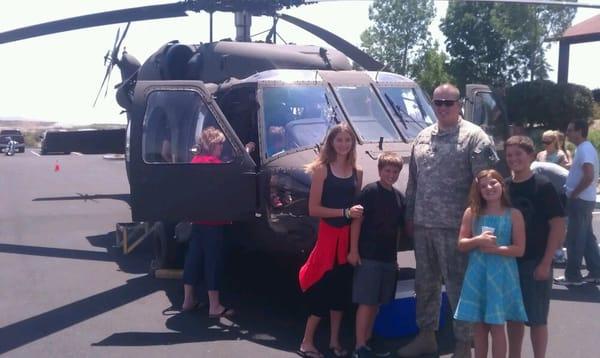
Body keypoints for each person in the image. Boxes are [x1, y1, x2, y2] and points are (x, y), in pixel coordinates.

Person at [399, 83, 498, 358]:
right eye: (438, 102)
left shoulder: (474, 138)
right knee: (425, 284)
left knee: (460, 288)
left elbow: (488, 184)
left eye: (448, 102)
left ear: (459, 105)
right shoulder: (422, 137)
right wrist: (410, 216)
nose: (442, 107)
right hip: (424, 226)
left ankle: (463, 345)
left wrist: (485, 226)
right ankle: (426, 337)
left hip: (459, 229)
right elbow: (413, 183)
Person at [298, 123, 364, 358]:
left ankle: (334, 341)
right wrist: (344, 213)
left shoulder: (358, 173)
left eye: (348, 140)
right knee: (322, 289)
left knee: (341, 293)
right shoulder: (321, 170)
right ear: (331, 142)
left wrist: (354, 249)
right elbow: (314, 209)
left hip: (347, 241)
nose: (343, 144)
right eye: (339, 140)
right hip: (328, 238)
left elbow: (357, 214)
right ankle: (307, 341)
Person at [454, 169, 527, 358]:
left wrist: (495, 249)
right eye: (483, 186)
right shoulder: (472, 212)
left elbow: (519, 249)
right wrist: (478, 240)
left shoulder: (514, 214)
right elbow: (461, 244)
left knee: (497, 326)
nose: (489, 188)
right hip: (478, 273)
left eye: (493, 183)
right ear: (477, 191)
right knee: (479, 329)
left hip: (502, 275)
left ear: (502, 185)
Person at [504, 135, 566, 358]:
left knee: (537, 319)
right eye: (509, 155)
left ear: (531, 155)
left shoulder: (543, 186)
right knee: (513, 317)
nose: (513, 159)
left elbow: (557, 226)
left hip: (536, 262)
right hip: (509, 263)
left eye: (518, 154)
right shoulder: (504, 186)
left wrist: (546, 262)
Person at [347, 152, 406, 358]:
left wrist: (396, 258)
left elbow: (397, 230)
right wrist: (353, 250)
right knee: (366, 302)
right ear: (380, 170)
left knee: (377, 303)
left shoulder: (399, 197)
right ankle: (359, 346)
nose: (391, 174)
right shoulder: (370, 191)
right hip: (368, 255)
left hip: (388, 258)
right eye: (387, 170)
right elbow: (357, 222)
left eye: (395, 171)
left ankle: (368, 341)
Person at [181, 126, 234, 318]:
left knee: (193, 258)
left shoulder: (195, 161)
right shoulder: (215, 163)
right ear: (213, 145)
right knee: (213, 261)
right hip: (213, 221)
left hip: (198, 220)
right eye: (220, 144)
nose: (222, 148)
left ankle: (188, 299)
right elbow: (229, 180)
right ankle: (215, 306)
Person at [554, 120, 600, 286]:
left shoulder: (585, 149)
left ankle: (573, 275)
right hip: (584, 199)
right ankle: (596, 271)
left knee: (574, 239)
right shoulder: (584, 148)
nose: (567, 133)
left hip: (579, 200)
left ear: (580, 131)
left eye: (570, 130)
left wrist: (574, 193)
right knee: (587, 237)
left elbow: (588, 175)